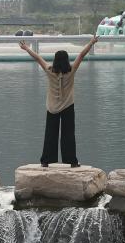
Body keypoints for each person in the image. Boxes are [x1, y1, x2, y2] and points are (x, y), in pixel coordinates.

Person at [19, 35, 99, 168]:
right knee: (68, 134)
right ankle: (72, 161)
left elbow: (38, 58)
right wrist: (91, 42)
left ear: (55, 60)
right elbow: (81, 55)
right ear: (67, 60)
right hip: (68, 106)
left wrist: (26, 48)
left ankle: (46, 161)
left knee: (50, 134)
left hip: (52, 107)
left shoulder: (49, 70)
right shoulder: (71, 70)